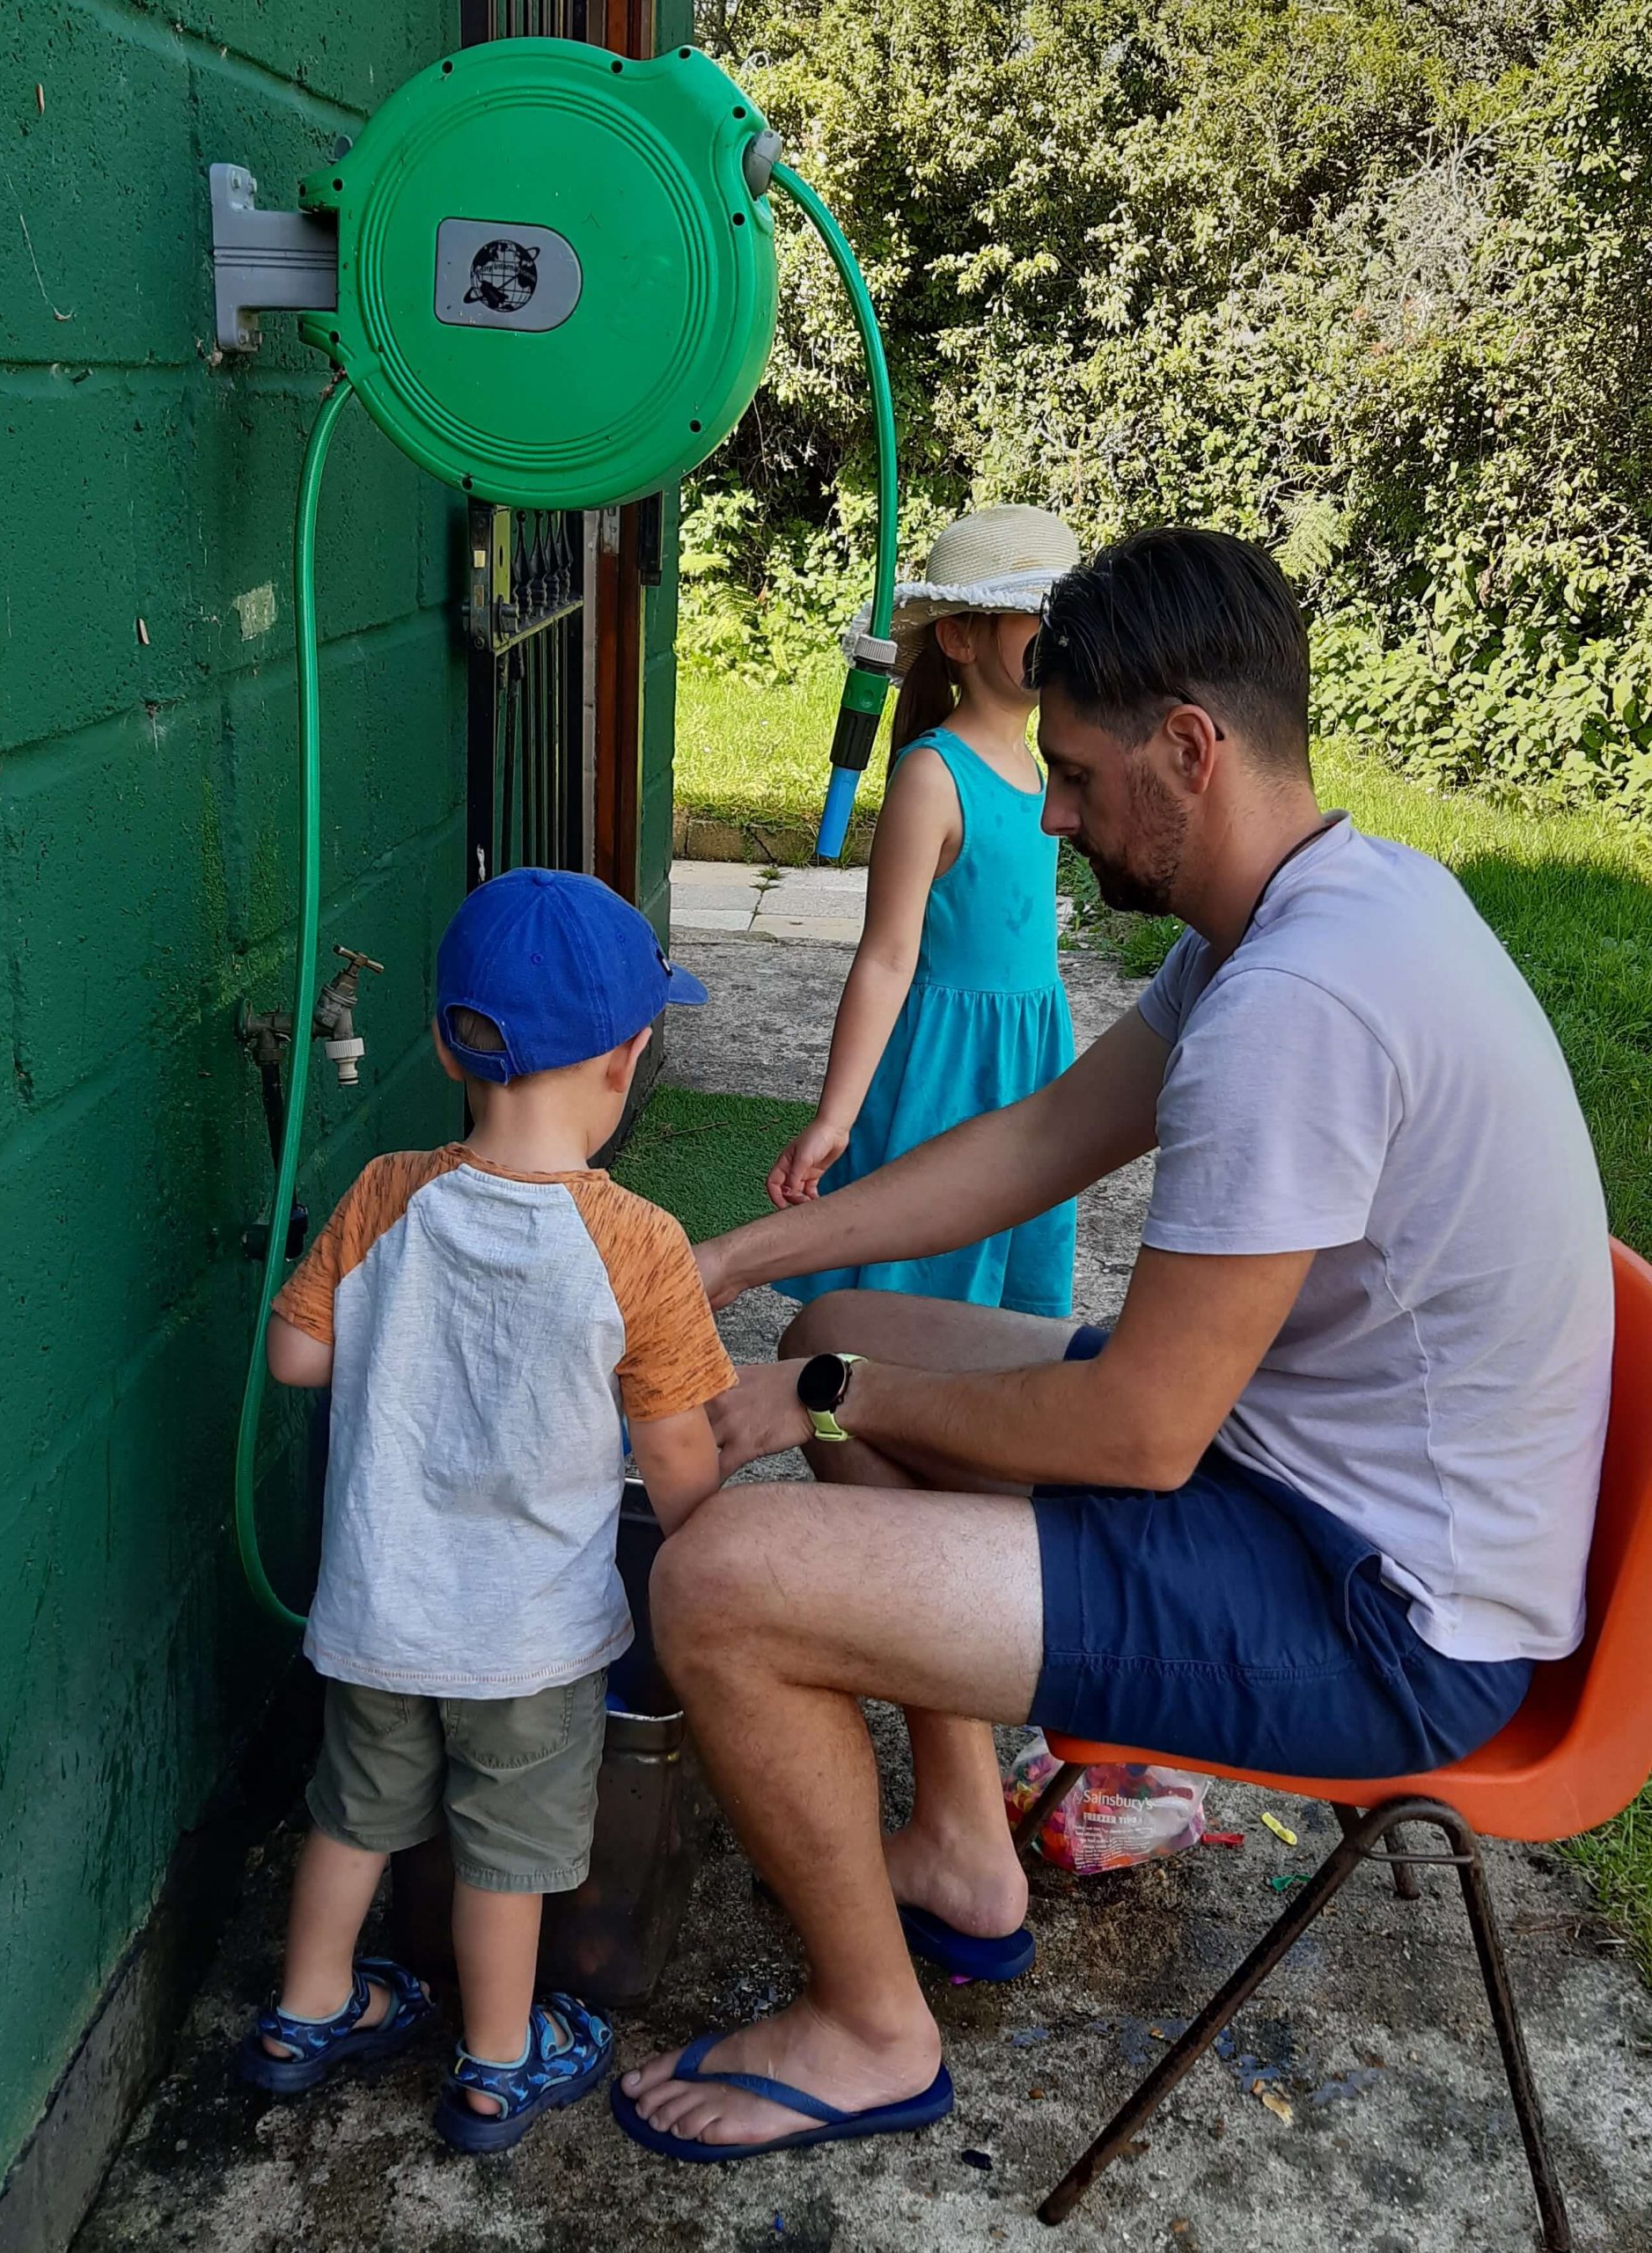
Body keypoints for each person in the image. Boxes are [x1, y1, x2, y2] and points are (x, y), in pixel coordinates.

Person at [611, 527, 1613, 2163]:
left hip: (1380, 1610)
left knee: (724, 1582)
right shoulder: (1302, 916)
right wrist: (735, 1258)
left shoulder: (1308, 1004)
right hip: (1299, 1482)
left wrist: (820, 1400)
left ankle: (872, 2033)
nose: (1056, 815)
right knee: (842, 1317)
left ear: (1191, 748)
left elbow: (1140, 1432)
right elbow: (1039, 1141)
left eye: (1076, 775)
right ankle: (958, 1846)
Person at [235, 870, 733, 2154]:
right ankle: (494, 2066)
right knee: (508, 1853)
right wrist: (709, 1547)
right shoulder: (640, 1245)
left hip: (378, 1615)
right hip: (532, 1640)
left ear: (452, 1040)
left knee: (352, 1815)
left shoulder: (390, 1193)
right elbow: (677, 1460)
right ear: (625, 1063)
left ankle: (305, 2014)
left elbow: (294, 1359)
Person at [769, 504, 1081, 1319]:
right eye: (1041, 618)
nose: (1065, 638)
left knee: (1005, 1281)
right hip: (948, 1066)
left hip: (1029, 1050)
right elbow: (887, 956)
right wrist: (835, 1116)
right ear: (961, 637)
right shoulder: (934, 776)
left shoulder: (1049, 764)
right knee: (922, 1281)